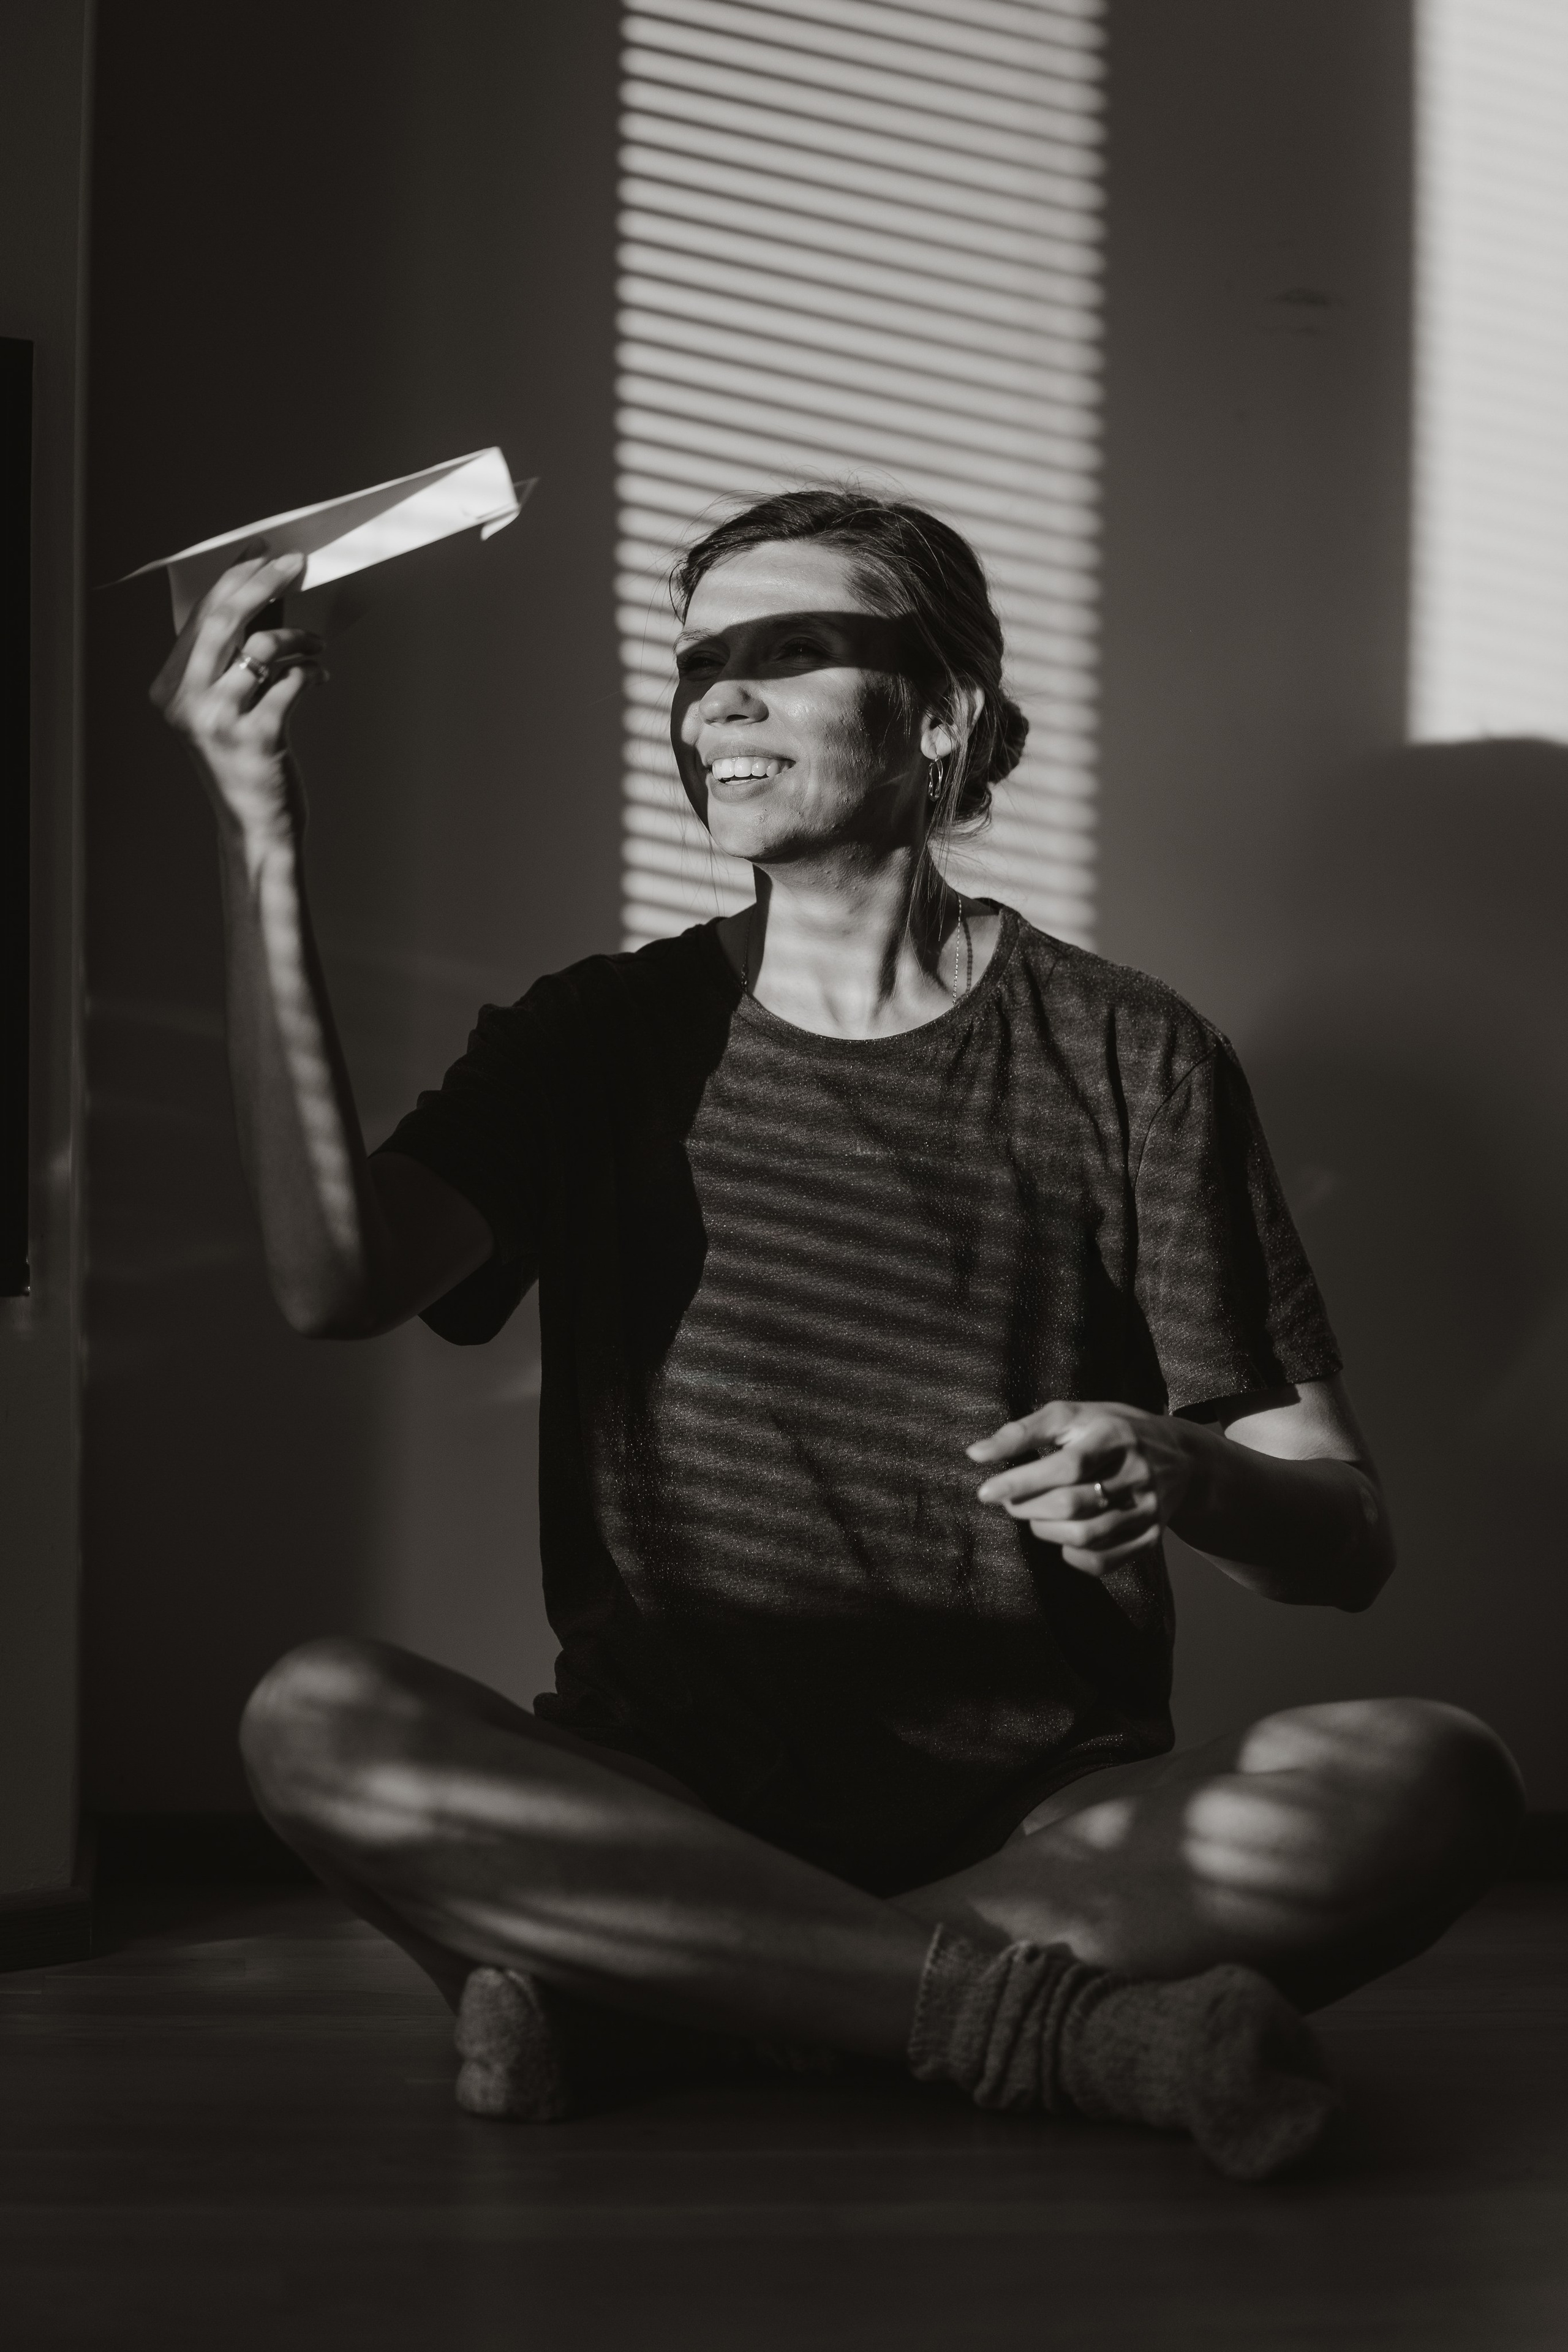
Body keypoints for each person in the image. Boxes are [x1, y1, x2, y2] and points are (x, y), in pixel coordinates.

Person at [152, 488, 1521, 2181]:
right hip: (654, 1804)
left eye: (784, 654)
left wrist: (1182, 1466)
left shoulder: (1133, 1053)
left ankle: (673, 1990)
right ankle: (1055, 2032)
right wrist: (258, 833)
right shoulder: (599, 1041)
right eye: (698, 662)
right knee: (317, 1716)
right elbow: (330, 1282)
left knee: (1432, 1775)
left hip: (1042, 1829)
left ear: (940, 712)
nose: (715, 698)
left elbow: (1349, 1544)